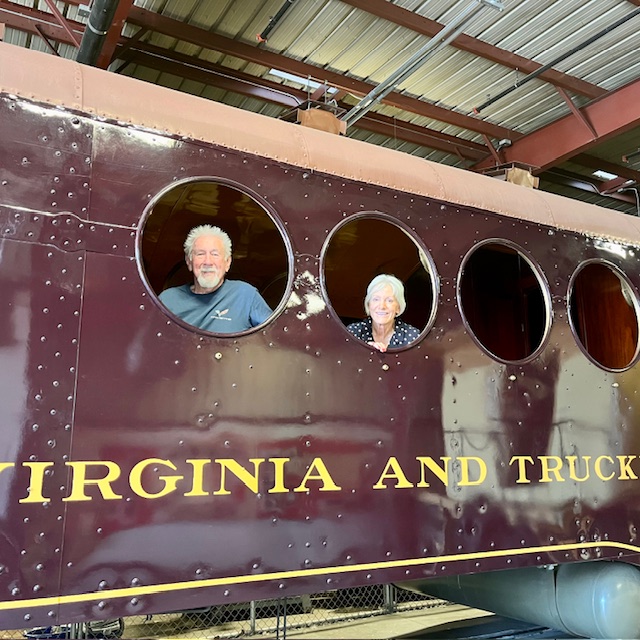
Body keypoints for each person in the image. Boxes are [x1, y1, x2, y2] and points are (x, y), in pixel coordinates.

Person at [159, 224, 272, 332]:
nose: (208, 262)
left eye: (215, 254)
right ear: (189, 262)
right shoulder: (168, 300)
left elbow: (275, 335)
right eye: (200, 254)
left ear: (227, 263)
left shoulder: (245, 295)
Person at [347, 274, 420, 352]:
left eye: (389, 300)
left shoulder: (412, 336)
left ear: (398, 308)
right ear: (368, 304)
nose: (382, 306)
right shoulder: (353, 332)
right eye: (376, 299)